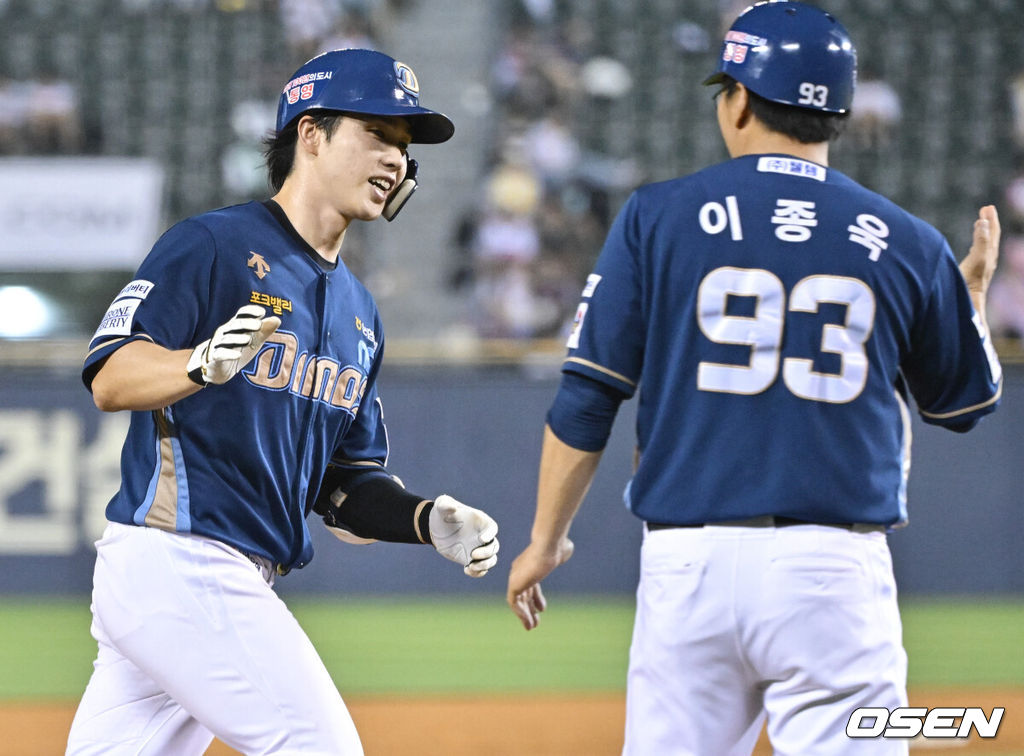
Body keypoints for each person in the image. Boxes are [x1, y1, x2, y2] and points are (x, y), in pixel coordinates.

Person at [506, 3, 1003, 755]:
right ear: (839, 112)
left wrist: (545, 540)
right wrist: (969, 304)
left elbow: (586, 398)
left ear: (737, 100)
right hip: (831, 571)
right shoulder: (907, 240)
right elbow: (964, 402)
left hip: (688, 568)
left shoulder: (656, 217)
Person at [67, 49, 500, 755]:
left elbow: (341, 489)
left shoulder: (360, 313)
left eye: (404, 145)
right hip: (181, 562)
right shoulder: (213, 244)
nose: (397, 159)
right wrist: (199, 363)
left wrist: (424, 519)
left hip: (214, 578)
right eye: (379, 133)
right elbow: (112, 375)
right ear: (311, 134)